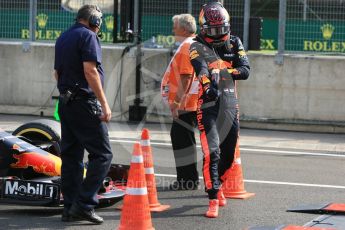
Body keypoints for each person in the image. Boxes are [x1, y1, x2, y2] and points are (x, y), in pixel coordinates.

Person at [189, 1, 250, 218]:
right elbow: (201, 69)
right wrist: (208, 85)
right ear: (204, 28)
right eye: (211, 31)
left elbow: (245, 70)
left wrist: (223, 71)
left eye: (220, 30)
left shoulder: (234, 42)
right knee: (212, 152)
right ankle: (213, 196)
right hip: (208, 105)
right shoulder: (195, 45)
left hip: (230, 105)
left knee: (229, 156)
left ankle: (220, 183)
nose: (216, 35)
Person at [54, 4, 113, 224]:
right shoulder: (88, 36)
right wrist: (104, 103)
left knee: (71, 157)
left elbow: (57, 73)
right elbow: (90, 71)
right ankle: (84, 203)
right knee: (103, 155)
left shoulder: (63, 37)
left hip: (66, 102)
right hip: (84, 103)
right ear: (94, 20)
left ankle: (69, 208)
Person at [161, 14, 200, 190]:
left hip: (184, 103)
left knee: (182, 141)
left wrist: (176, 102)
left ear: (184, 29)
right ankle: (188, 179)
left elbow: (185, 77)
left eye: (175, 26)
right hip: (190, 102)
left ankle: (187, 181)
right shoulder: (194, 43)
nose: (172, 30)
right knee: (185, 139)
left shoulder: (186, 46)